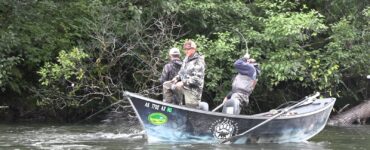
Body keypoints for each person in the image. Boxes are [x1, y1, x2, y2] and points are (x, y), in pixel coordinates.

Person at [163, 40, 206, 109]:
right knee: (167, 84)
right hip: (184, 86)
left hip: (193, 90)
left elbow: (197, 79)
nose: (186, 51)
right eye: (185, 49)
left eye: (188, 49)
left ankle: (187, 110)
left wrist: (183, 82)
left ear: (194, 49)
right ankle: (169, 107)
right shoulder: (186, 59)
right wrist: (176, 78)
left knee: (191, 109)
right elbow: (181, 72)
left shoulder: (199, 61)